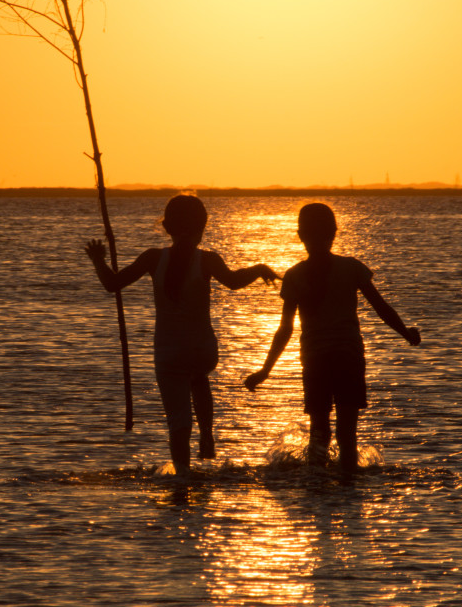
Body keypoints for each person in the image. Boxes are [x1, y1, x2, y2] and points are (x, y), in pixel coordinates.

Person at [86, 194, 278, 474]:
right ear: (203, 227)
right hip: (203, 350)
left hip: (169, 353)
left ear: (166, 227)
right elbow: (235, 282)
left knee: (178, 419)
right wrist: (260, 268)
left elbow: (112, 284)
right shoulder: (208, 260)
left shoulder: (153, 258)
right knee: (198, 377)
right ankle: (208, 434)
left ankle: (183, 475)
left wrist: (98, 260)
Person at [245, 202, 420, 471]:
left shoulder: (294, 275)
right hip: (348, 358)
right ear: (334, 232)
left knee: (319, 431)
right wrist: (406, 333)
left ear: (300, 235)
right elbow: (381, 307)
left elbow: (285, 329)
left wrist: (265, 370)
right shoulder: (351, 268)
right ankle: (349, 484)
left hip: (315, 361)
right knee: (347, 433)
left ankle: (317, 484)